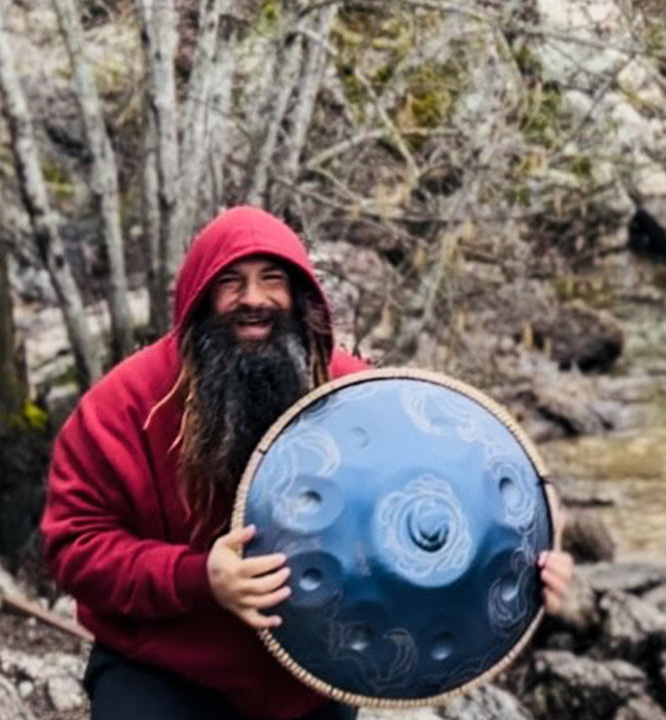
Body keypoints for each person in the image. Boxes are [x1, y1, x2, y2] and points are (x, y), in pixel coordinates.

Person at [41, 207, 576, 720]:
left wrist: (536, 552)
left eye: (272, 279)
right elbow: (72, 548)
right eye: (232, 283)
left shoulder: (354, 393)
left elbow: (463, 476)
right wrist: (197, 577)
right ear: (199, 298)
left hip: (309, 681)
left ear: (300, 296)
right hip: (164, 666)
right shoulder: (124, 408)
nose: (253, 299)